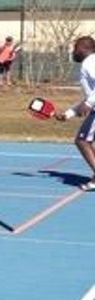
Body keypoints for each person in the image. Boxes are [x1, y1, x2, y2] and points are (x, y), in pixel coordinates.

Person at [53, 35, 95, 191]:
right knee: (86, 141)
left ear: (84, 48)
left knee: (82, 141)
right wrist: (68, 114)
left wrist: (89, 103)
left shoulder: (90, 62)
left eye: (75, 48)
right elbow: (88, 98)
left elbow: (89, 100)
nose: (73, 52)